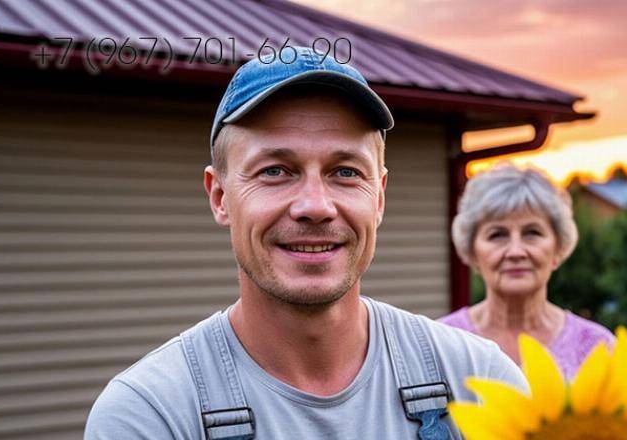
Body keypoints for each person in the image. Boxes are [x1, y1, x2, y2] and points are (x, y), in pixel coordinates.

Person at [84, 47, 527, 440]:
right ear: (219, 197)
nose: (315, 206)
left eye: (346, 172)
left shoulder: (480, 382)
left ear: (379, 198)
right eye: (275, 171)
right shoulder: (149, 415)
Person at [439, 164, 615, 381]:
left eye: (532, 233)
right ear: (472, 251)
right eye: (497, 235)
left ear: (558, 247)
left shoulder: (597, 347)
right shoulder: (441, 342)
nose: (516, 251)